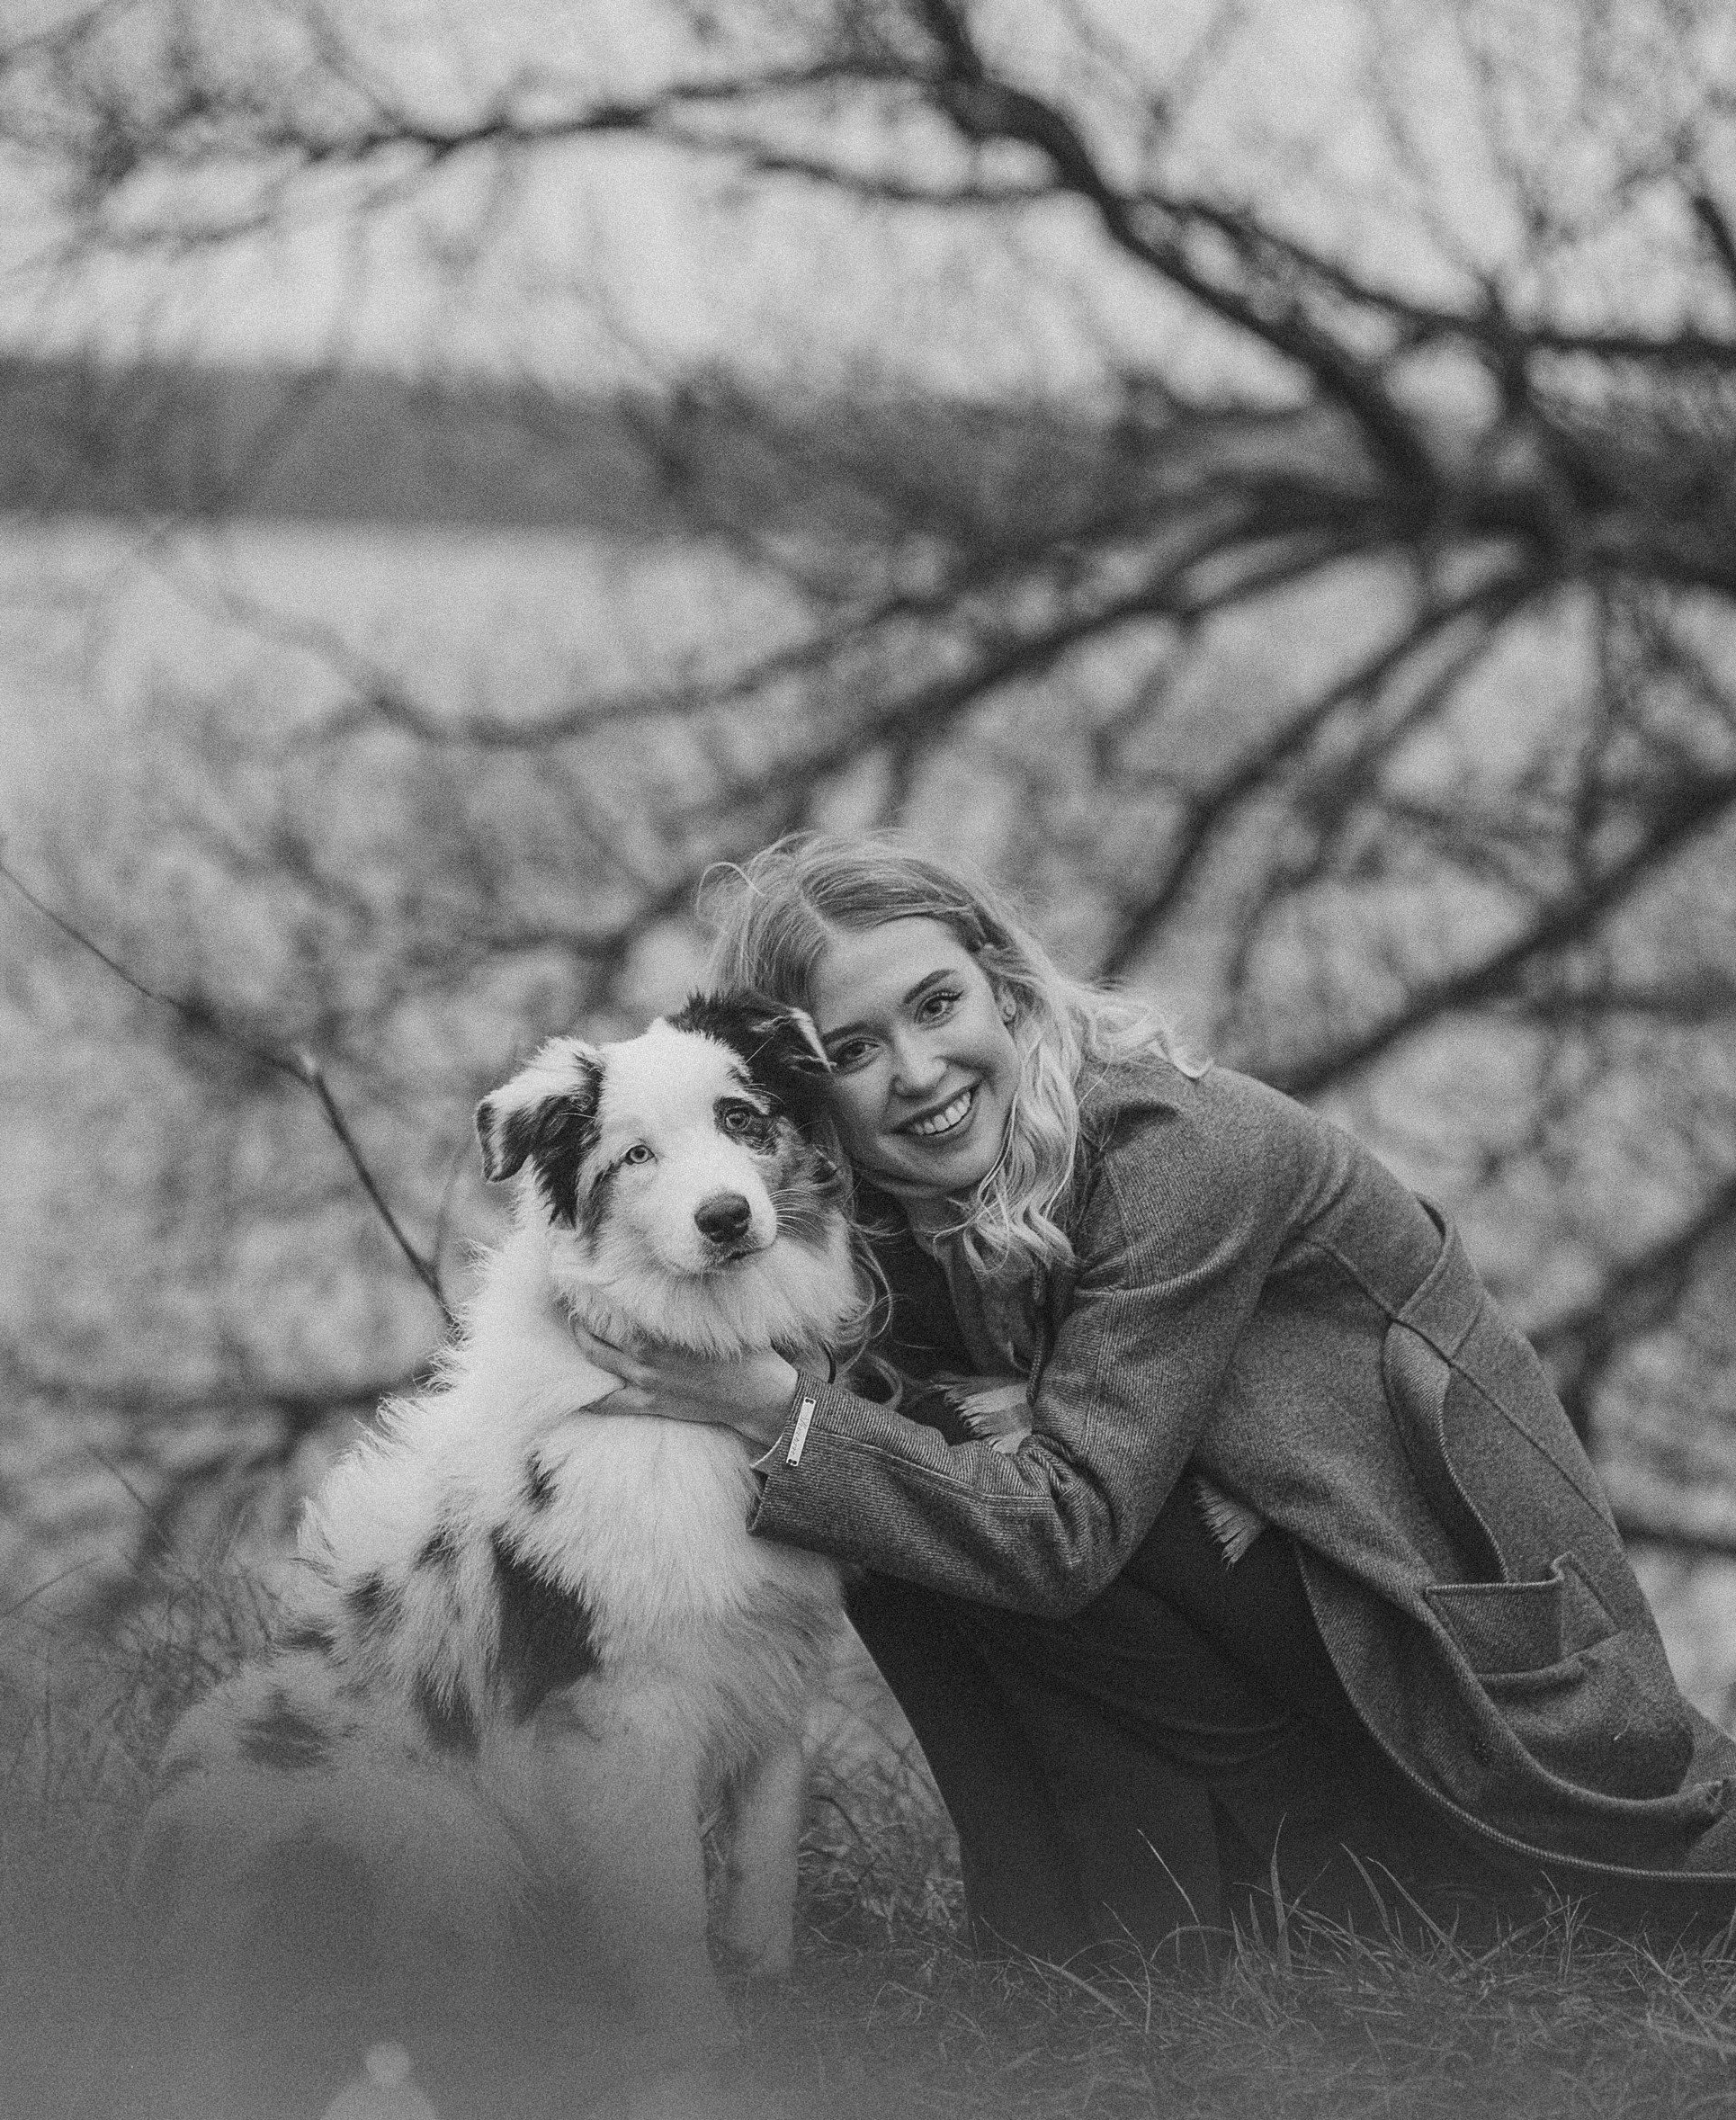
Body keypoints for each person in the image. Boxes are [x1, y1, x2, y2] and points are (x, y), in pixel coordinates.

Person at [574, 832, 1736, 1960]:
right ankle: (1082, 1943)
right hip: (1278, 1591)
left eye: (937, 1005)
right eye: (856, 1050)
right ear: (805, 1094)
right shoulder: (897, 1211)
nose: (920, 1073)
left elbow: (1061, 1536)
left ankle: (1300, 1882)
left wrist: (780, 1414)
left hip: (1451, 1664)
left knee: (878, 1464)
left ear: (1003, 980)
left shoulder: (1172, 1147)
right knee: (883, 1484)